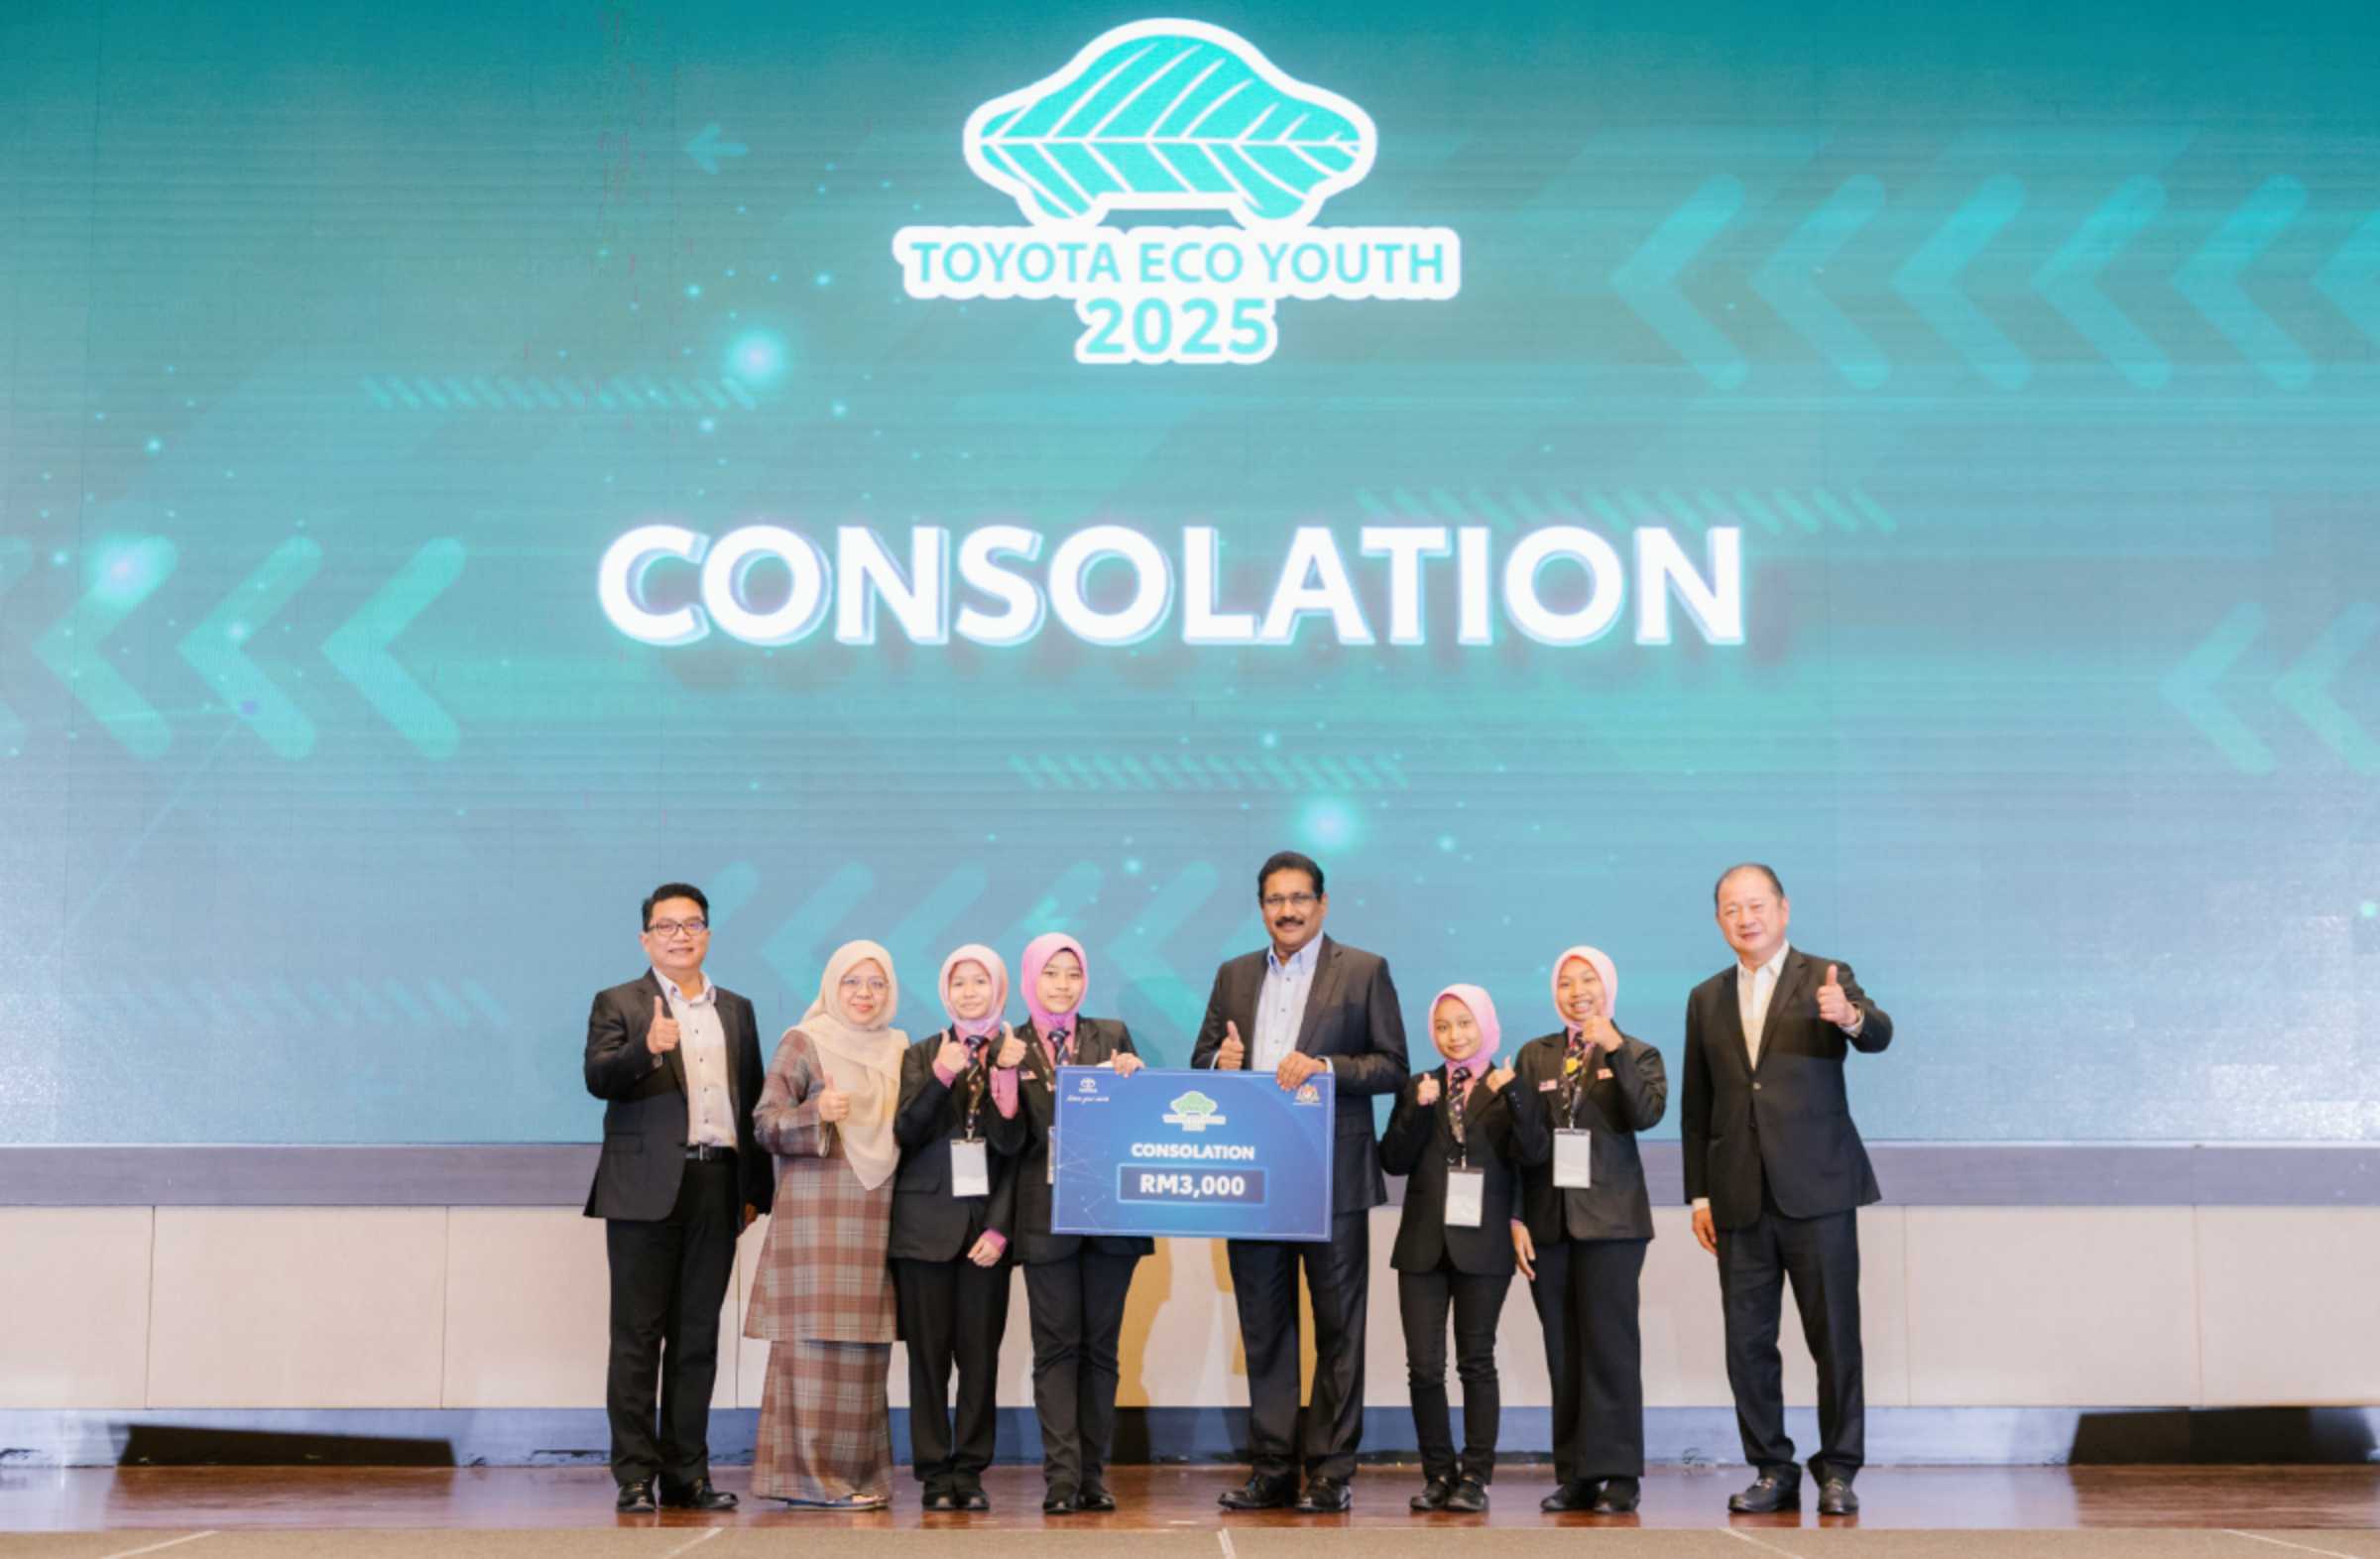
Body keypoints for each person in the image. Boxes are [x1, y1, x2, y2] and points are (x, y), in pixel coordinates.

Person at [1191, 850, 1410, 1513]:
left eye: (1299, 898)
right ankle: (1274, 1470)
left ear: (1322, 903)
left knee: (1339, 1329)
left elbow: (1392, 1065)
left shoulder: (1364, 970)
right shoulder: (1233, 974)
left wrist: (1325, 1066)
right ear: (1262, 908)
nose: (1287, 910)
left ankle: (1332, 1472)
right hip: (1254, 1178)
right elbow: (1202, 1061)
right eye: (1274, 900)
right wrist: (1221, 1063)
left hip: (1332, 1179)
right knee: (1266, 1330)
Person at [1682, 865, 1894, 1517]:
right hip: (1739, 1196)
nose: (1745, 919)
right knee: (1747, 1344)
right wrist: (1700, 1196)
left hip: (1818, 1189)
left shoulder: (1825, 975)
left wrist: (1851, 1017)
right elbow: (1697, 1106)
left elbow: (1879, 1034)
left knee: (1835, 1339)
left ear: (1783, 909)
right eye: (1731, 909)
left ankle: (1840, 1469)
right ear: (1718, 921)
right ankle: (1772, 1468)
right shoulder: (1705, 997)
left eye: (1756, 905)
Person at [580, 883, 772, 1513]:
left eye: (692, 925)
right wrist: (645, 1049)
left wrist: (755, 1189)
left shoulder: (736, 1009)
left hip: (717, 1184)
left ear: (707, 935)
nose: (680, 936)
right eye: (666, 926)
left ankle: (687, 1475)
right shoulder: (619, 1002)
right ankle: (635, 1476)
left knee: (697, 1339)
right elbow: (597, 1077)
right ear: (646, 939)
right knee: (638, 1337)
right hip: (642, 1190)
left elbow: (751, 1099)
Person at [989, 932, 1155, 1514]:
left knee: (1101, 1350)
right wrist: (1003, 1076)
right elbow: (1006, 1143)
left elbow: (1137, 1126)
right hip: (1045, 1219)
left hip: (1111, 1215)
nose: (1063, 985)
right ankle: (1061, 1479)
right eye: (1051, 973)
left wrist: (1136, 1079)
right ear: (1030, 977)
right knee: (1056, 1350)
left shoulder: (1111, 1036)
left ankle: (1091, 1477)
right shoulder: (1010, 1045)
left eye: (1073, 973)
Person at [745, 939, 907, 1508]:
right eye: (851, 982)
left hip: (877, 1216)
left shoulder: (900, 1048)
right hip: (814, 1222)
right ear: (832, 986)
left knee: (865, 1353)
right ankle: (809, 1482)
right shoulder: (804, 1040)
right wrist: (817, 1113)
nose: (864, 994)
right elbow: (764, 1124)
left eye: (876, 983)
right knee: (810, 1351)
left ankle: (860, 1479)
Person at [1509, 945, 1668, 1514]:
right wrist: (1516, 1217)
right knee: (1563, 1352)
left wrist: (1614, 1049)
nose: (1577, 992)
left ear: (1609, 987)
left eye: (1588, 980)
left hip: (1613, 1224)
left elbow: (1646, 1114)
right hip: (1548, 1224)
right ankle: (1577, 1474)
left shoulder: (1639, 1051)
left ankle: (1620, 1475)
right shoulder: (1535, 1055)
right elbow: (1518, 1144)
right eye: (1566, 983)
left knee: (1610, 1350)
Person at [1378, 985, 1545, 1513]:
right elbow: (1393, 1160)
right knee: (1424, 1367)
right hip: (1422, 1245)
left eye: (1465, 1023)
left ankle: (1475, 1476)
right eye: (1443, 1026)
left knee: (1476, 1362)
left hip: (1485, 1241)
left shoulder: (1507, 1084)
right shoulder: (1419, 1085)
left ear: (1486, 1025)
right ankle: (1437, 1474)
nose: (1454, 1035)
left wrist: (1514, 1095)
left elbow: (1532, 1156)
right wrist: (1417, 1107)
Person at [891, 944, 1029, 1511]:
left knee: (979, 1359)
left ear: (998, 988)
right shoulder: (922, 1052)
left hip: (986, 1234)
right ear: (945, 991)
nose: (969, 992)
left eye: (980, 982)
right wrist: (942, 1075)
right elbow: (907, 1131)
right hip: (922, 1229)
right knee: (926, 1361)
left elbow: (1016, 1149)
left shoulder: (1016, 1051)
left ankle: (970, 1471)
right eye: (959, 982)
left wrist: (1001, 1228)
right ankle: (932, 1473)